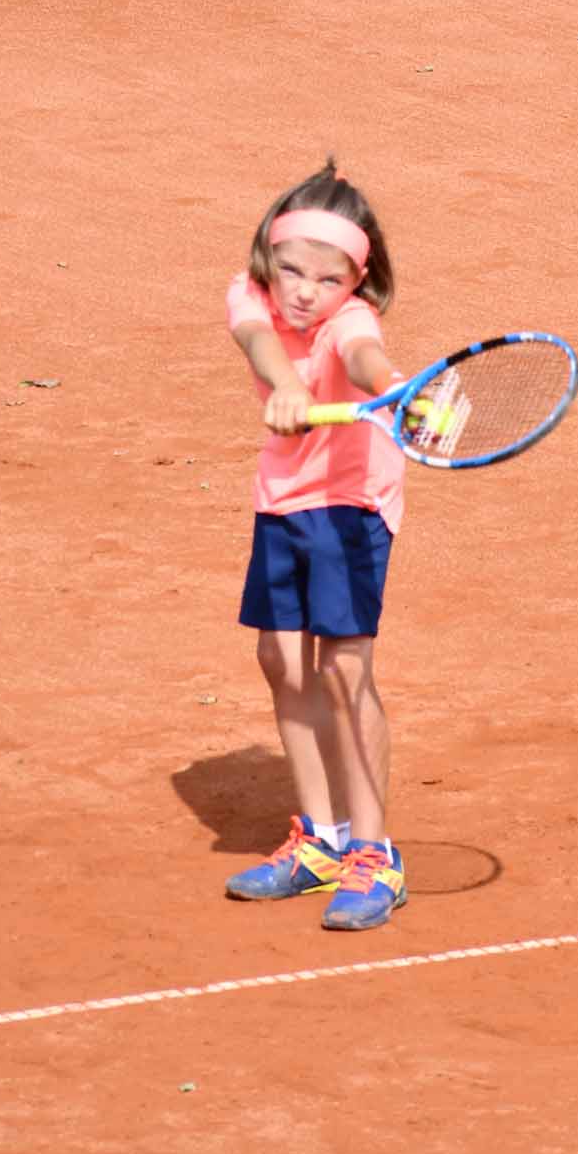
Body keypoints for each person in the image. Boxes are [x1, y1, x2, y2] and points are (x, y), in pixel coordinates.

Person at [223, 160, 407, 931]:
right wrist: (288, 387)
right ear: (268, 258)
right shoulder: (249, 295)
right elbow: (259, 341)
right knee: (281, 659)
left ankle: (374, 854)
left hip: (351, 503)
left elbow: (364, 357)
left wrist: (392, 386)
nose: (305, 291)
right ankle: (322, 842)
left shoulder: (351, 321)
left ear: (358, 281)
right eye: (292, 270)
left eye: (329, 280)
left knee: (342, 668)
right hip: (285, 496)